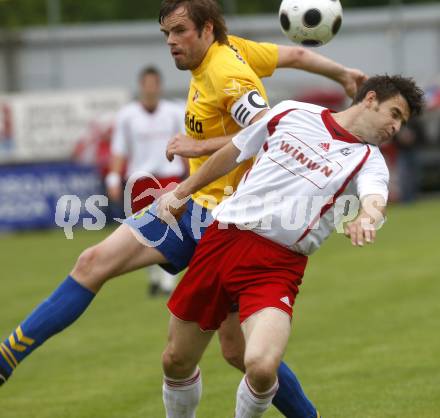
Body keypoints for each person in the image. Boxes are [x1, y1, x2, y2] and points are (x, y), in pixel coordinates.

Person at [0, 1, 367, 416]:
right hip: (195, 209)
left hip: (231, 225)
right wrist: (341, 73)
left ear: (207, 29)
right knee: (93, 262)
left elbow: (270, 133)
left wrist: (198, 146)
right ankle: (5, 358)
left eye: (179, 32)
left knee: (237, 351)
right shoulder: (235, 50)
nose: (171, 42)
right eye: (166, 35)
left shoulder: (227, 74)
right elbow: (295, 54)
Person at [156, 75, 424, 417]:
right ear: (370, 99)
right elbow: (234, 152)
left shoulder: (369, 160)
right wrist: (182, 191)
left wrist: (367, 219)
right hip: (223, 241)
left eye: (401, 121)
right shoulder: (293, 112)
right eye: (395, 113)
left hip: (276, 267)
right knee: (176, 360)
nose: (396, 127)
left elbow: (375, 197)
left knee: (262, 365)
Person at [106, 66, 186, 295]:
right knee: (142, 232)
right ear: (141, 86)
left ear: (159, 86)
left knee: (172, 229)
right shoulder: (127, 115)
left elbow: (186, 144)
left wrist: (191, 175)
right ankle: (153, 278)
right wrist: (113, 177)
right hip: (139, 180)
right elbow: (119, 149)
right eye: (147, 84)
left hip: (168, 176)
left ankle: (168, 282)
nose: (150, 88)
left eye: (154, 84)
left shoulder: (173, 112)